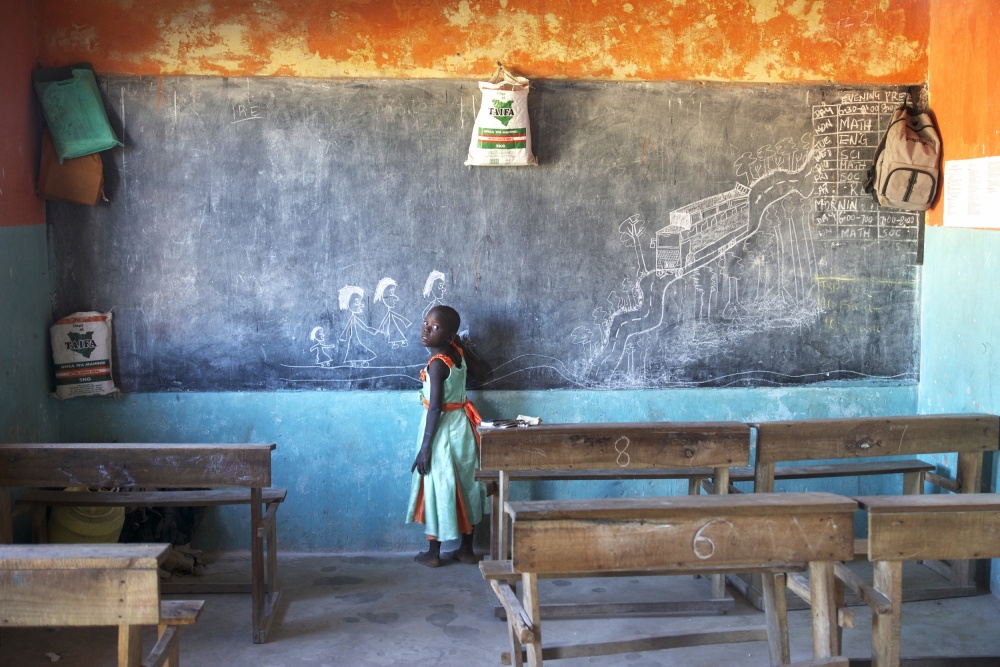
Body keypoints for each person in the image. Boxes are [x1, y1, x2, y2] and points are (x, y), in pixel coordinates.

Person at [406, 305, 490, 567]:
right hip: (462, 427)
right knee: (466, 484)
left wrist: (425, 448)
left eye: (435, 327)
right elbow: (483, 373)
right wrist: (461, 345)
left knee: (436, 485)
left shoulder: (437, 365)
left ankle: (433, 553)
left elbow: (434, 409)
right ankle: (466, 550)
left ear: (449, 335)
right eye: (425, 323)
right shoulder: (458, 356)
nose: (426, 330)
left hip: (440, 432)